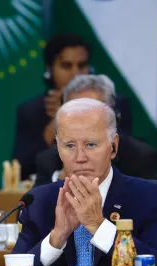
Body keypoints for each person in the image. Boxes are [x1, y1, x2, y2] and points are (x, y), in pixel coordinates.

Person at [7, 98, 157, 266]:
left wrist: (99, 225)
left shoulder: (148, 197)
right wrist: (55, 239)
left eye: (91, 144)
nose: (80, 157)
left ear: (113, 146)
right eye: (70, 145)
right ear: (58, 148)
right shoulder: (38, 202)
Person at [11, 34, 132, 180]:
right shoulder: (32, 110)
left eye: (82, 66)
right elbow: (19, 169)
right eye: (66, 66)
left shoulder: (113, 103)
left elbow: (126, 156)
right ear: (49, 70)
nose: (76, 74)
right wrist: (58, 122)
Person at [34, 75, 157, 186]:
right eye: (76, 112)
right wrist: (59, 180)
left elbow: (141, 209)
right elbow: (28, 211)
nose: (84, 121)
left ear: (114, 115)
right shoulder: (49, 161)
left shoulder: (138, 157)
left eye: (92, 111)